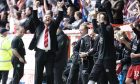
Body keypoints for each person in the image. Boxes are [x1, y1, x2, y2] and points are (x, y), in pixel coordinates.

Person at [28, 1, 64, 84]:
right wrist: (35, 7)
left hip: (50, 54)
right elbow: (34, 17)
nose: (47, 18)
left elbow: (59, 18)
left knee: (49, 74)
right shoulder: (38, 25)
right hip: (39, 53)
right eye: (46, 17)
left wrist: (60, 8)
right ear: (43, 19)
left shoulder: (53, 27)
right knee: (38, 74)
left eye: (49, 17)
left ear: (51, 19)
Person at [88, 11, 119, 84]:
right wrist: (93, 18)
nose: (98, 19)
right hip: (100, 58)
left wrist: (101, 23)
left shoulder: (109, 27)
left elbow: (105, 35)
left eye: (99, 17)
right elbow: (96, 30)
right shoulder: (101, 28)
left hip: (108, 58)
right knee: (93, 75)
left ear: (103, 18)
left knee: (112, 78)